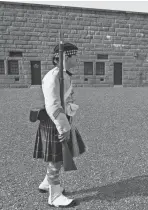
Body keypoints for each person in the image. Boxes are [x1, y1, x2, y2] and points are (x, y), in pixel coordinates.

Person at [33, 42, 85, 207]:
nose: (77, 58)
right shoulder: (54, 76)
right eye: (75, 56)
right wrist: (63, 126)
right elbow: (53, 105)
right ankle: (54, 195)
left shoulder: (63, 74)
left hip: (61, 119)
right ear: (66, 57)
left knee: (58, 157)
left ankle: (47, 183)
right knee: (56, 158)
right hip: (55, 122)